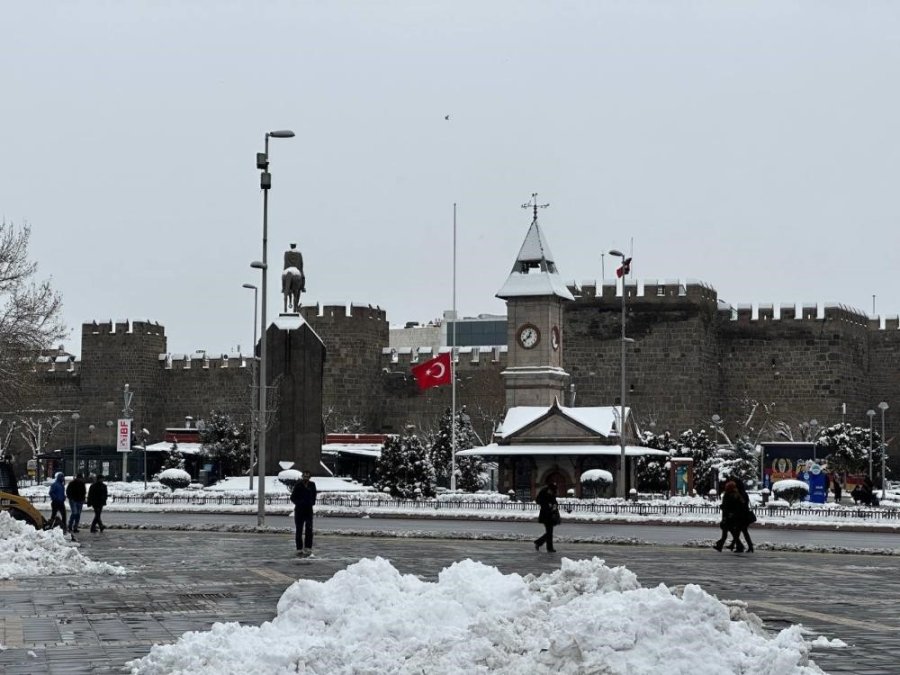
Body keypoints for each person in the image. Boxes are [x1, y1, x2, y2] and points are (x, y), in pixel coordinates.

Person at [290, 471, 317, 557]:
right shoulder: (298, 485)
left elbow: (314, 495)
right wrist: (299, 503)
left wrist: (311, 502)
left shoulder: (312, 485)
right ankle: (299, 548)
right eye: (305, 476)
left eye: (308, 476)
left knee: (309, 529)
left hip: (308, 510)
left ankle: (308, 547)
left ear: (310, 477)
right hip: (299, 510)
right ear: (302, 477)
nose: (306, 478)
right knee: (299, 530)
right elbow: (292, 497)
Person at [713, 481, 743, 553]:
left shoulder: (729, 495)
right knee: (732, 533)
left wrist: (723, 508)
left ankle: (720, 545)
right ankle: (739, 546)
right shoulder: (735, 494)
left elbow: (728, 506)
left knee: (726, 533)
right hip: (731, 517)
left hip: (728, 517)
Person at [533, 478, 559, 553]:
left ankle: (541, 543)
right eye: (552, 490)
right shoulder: (544, 492)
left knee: (549, 532)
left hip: (551, 514)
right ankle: (547, 547)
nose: (553, 492)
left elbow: (554, 501)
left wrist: (554, 505)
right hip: (545, 514)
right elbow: (538, 500)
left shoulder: (552, 492)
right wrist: (547, 505)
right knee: (549, 532)